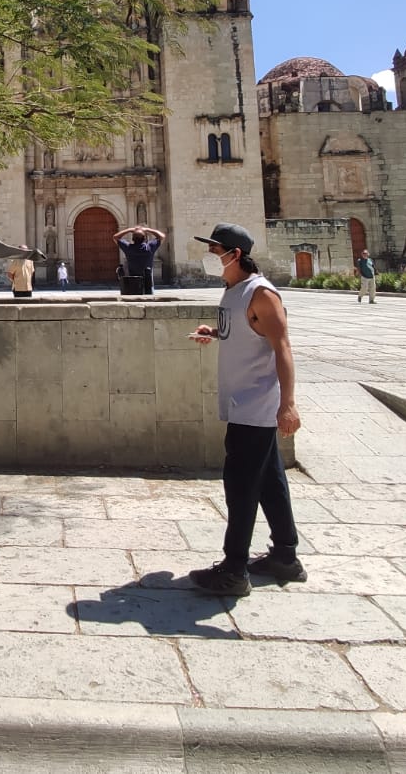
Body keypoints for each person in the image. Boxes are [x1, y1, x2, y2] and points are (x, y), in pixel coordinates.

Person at [186, 223, 304, 597]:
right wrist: (216, 333)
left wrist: (288, 404)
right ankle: (285, 556)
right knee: (269, 481)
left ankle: (234, 569)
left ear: (234, 254)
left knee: (239, 486)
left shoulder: (261, 293)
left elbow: (282, 348)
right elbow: (246, 333)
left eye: (215, 248)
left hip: (255, 405)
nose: (210, 255)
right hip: (240, 401)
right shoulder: (234, 291)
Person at [114, 224, 165, 294]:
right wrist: (147, 230)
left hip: (133, 281)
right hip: (148, 282)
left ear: (132, 239)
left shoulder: (128, 248)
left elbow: (115, 237)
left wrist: (129, 230)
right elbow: (162, 236)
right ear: (145, 238)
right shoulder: (149, 248)